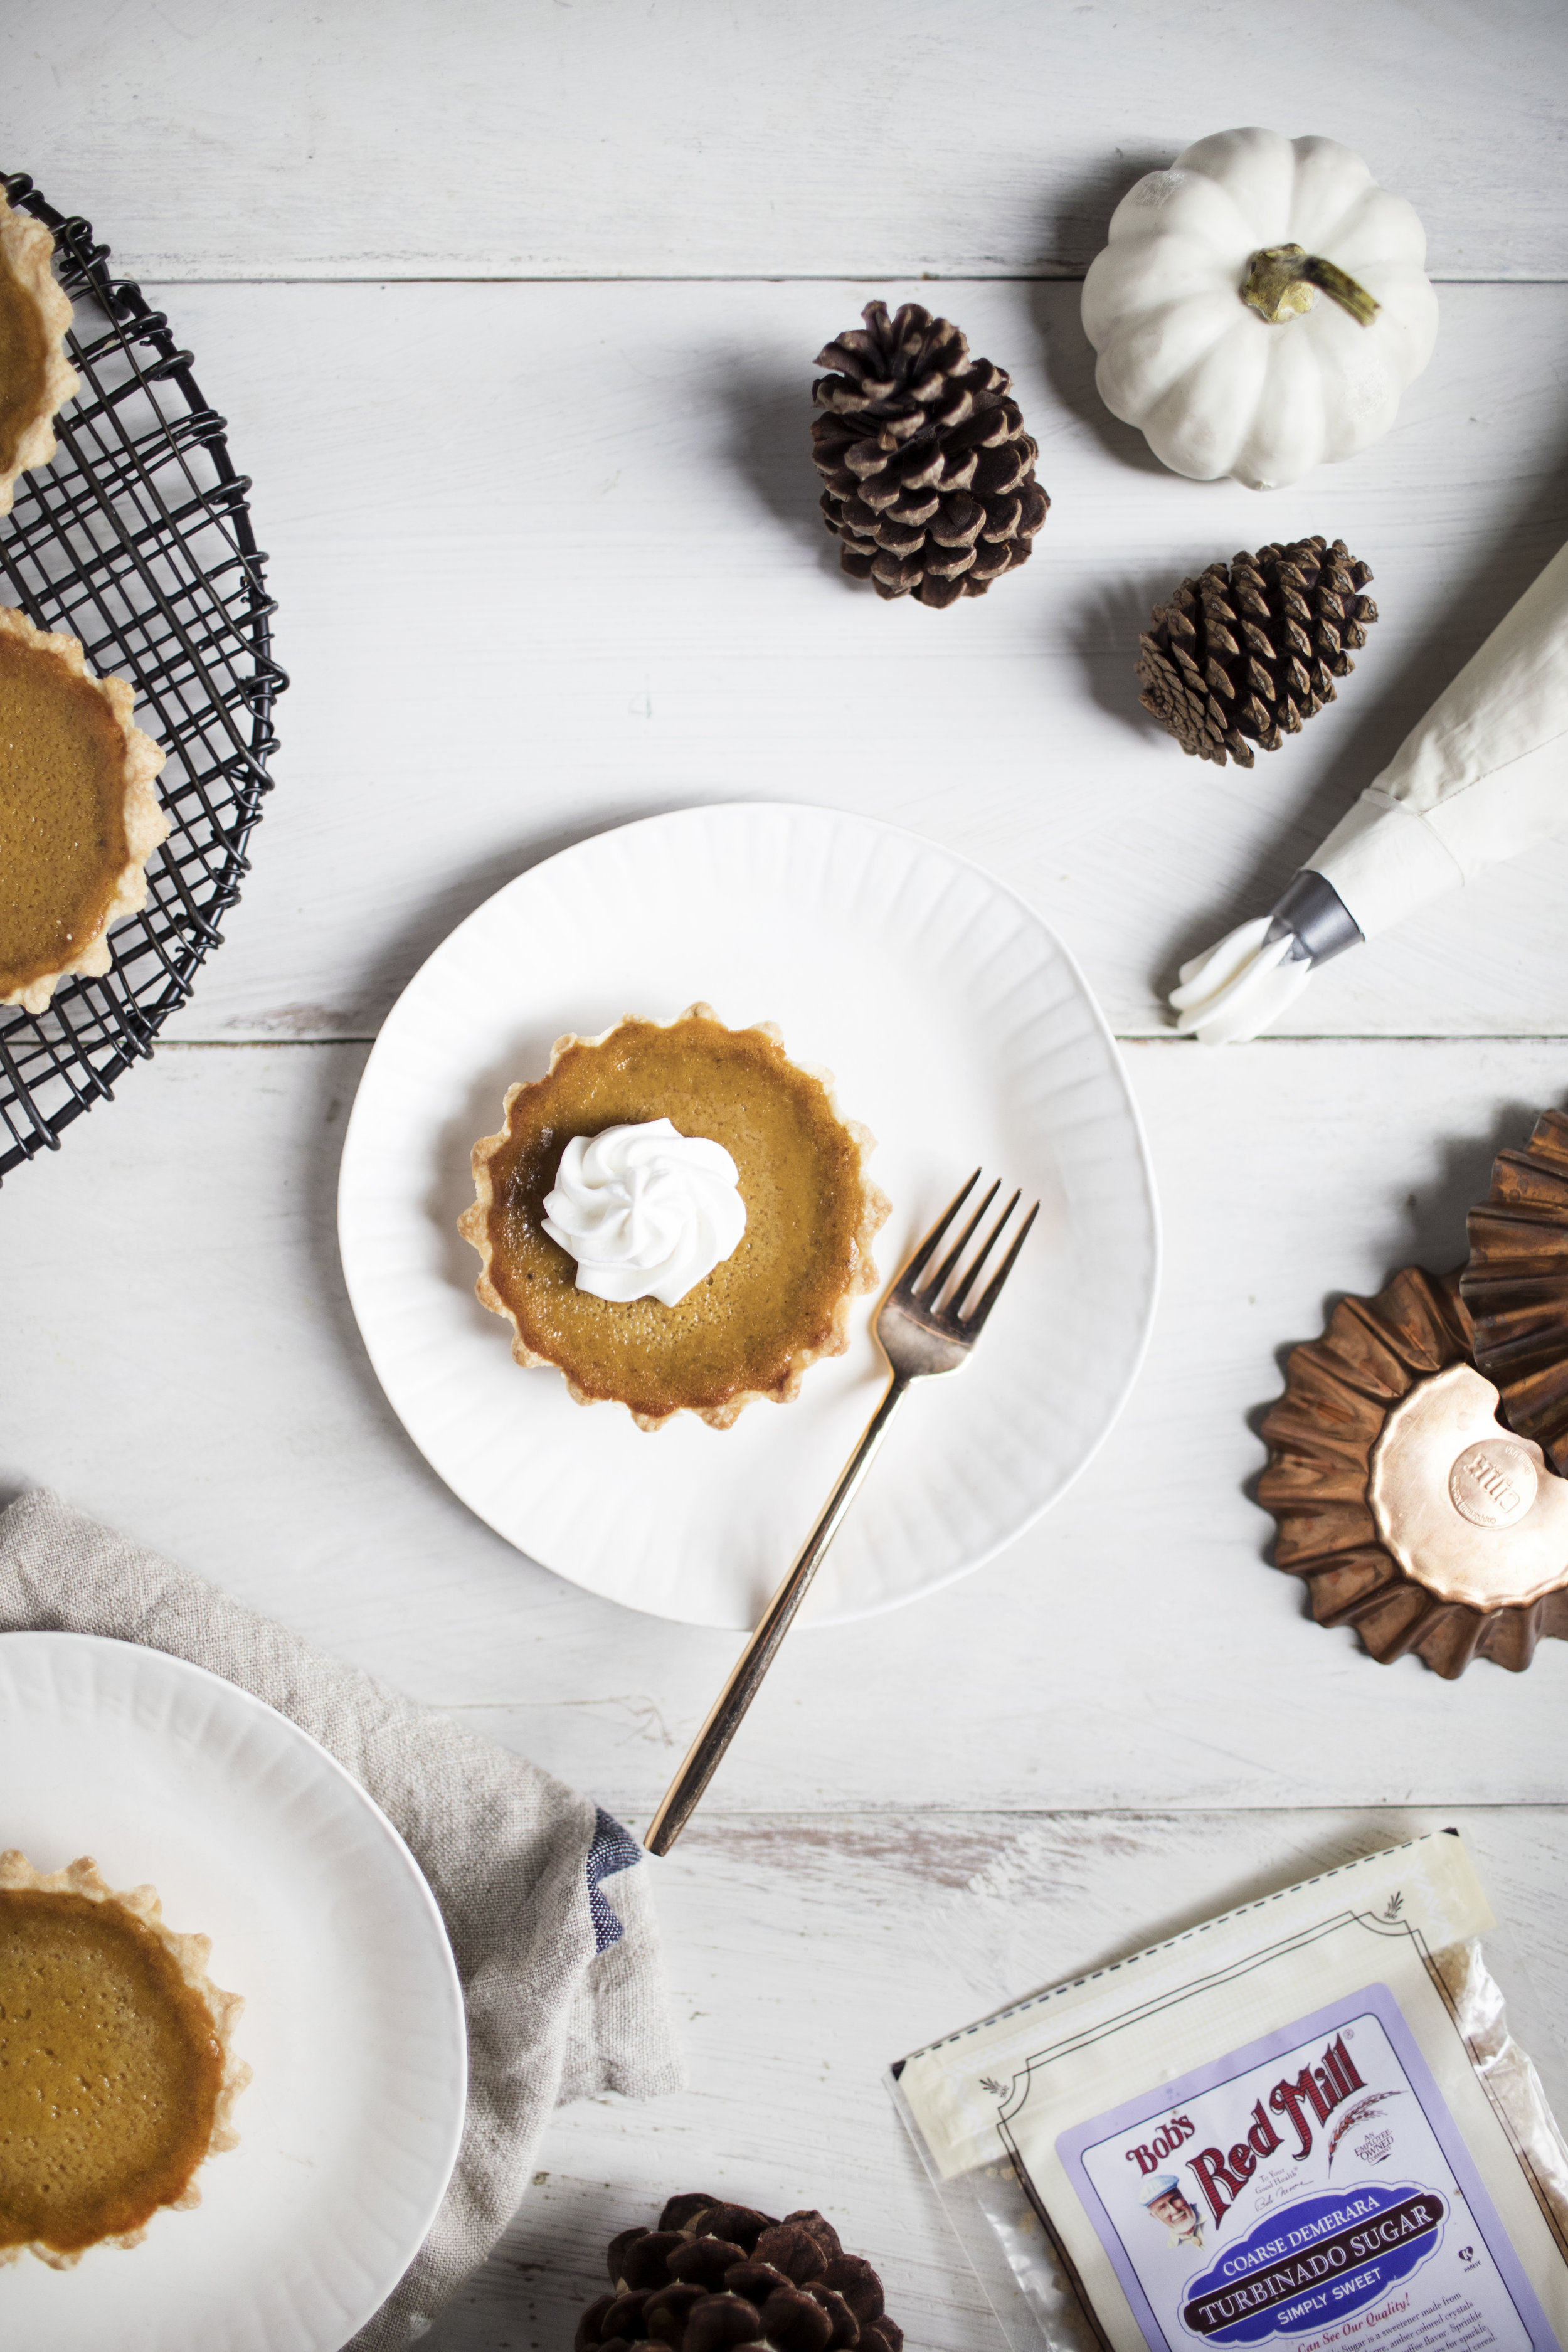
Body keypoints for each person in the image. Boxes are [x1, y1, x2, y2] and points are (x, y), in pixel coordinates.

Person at [1142, 2174, 1204, 2250]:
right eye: (1163, 2208)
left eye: (1175, 2199)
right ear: (1155, 2217)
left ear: (1182, 2196)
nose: (1174, 2211)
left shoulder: (1207, 2211)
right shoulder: (1169, 2247)